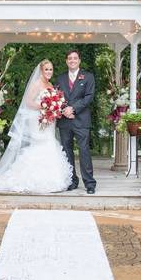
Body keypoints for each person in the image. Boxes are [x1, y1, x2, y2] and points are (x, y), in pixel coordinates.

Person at [0, 60, 73, 193]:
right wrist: (46, 106)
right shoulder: (36, 84)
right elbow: (28, 102)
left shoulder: (50, 84)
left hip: (49, 119)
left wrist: (53, 108)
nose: (49, 72)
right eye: (46, 69)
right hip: (37, 119)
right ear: (41, 70)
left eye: (51, 69)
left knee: (50, 143)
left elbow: (54, 102)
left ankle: (50, 179)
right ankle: (30, 179)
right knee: (40, 144)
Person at [56, 50, 97, 193]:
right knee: (67, 152)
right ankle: (72, 180)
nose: (72, 60)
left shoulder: (88, 77)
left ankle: (90, 183)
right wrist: (65, 110)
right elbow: (56, 97)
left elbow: (89, 97)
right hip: (64, 121)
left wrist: (73, 109)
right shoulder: (60, 78)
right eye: (69, 58)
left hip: (81, 120)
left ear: (79, 60)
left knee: (84, 151)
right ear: (66, 61)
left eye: (75, 58)